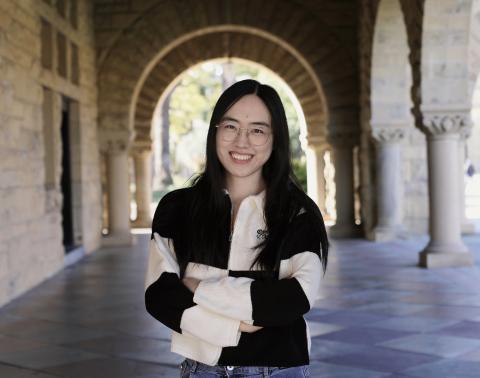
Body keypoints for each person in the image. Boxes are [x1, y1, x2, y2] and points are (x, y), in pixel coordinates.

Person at [144, 79, 329, 377]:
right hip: (200, 369)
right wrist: (238, 325)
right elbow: (159, 295)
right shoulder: (176, 209)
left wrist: (197, 288)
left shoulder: (299, 213)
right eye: (231, 127)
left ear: (275, 138)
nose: (242, 142)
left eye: (257, 130)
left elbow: (295, 298)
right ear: (215, 131)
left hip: (278, 369)